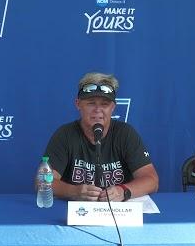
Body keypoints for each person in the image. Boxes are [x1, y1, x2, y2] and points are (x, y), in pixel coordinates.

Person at [43, 72, 159, 201]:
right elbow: (43, 181)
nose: (98, 110)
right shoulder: (65, 135)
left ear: (113, 107)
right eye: (91, 103)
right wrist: (74, 191)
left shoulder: (125, 133)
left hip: (119, 212)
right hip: (78, 212)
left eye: (104, 104)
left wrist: (123, 191)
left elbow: (151, 180)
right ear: (78, 104)